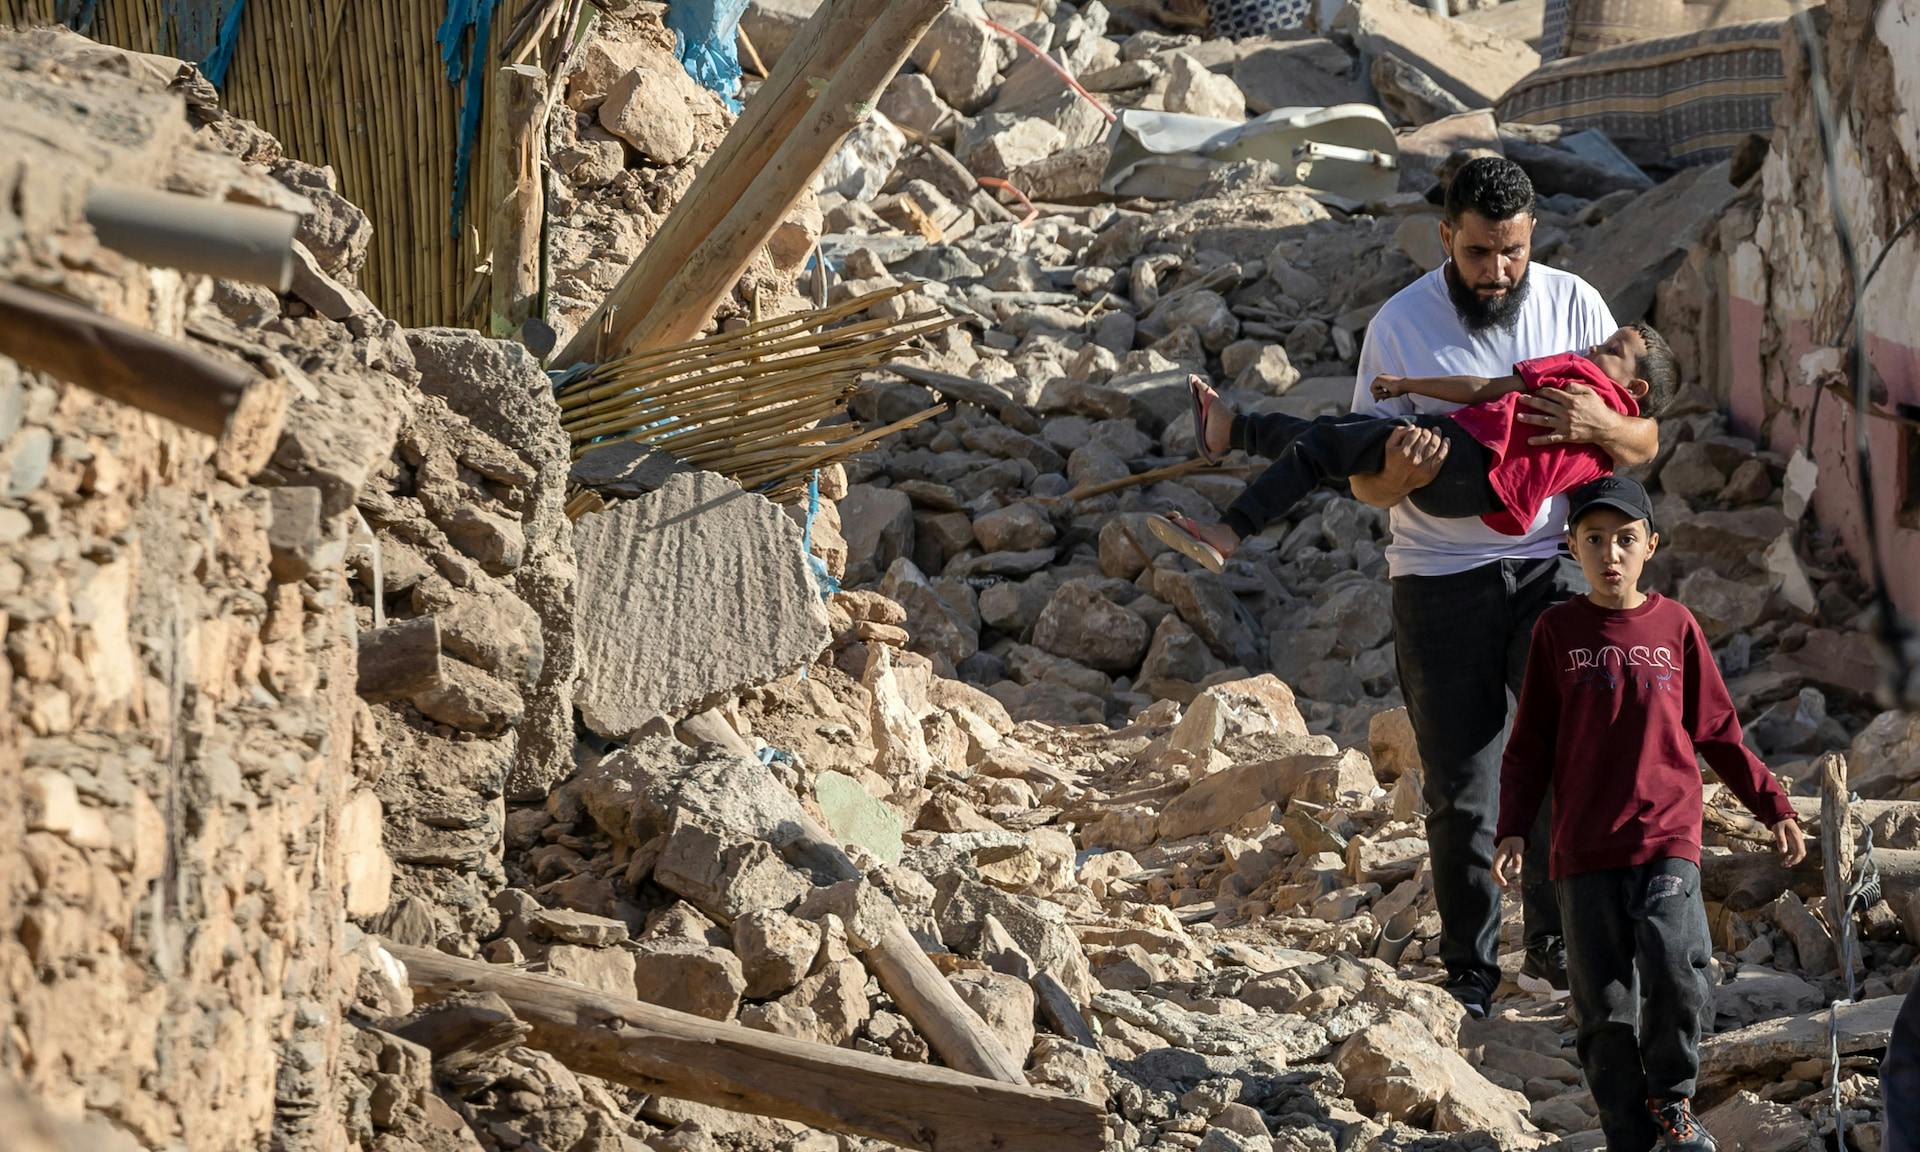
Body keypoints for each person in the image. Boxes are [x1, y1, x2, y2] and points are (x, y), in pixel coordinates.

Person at [1326, 155, 1659, 1016]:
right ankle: (1470, 970)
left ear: (1532, 235)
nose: (1498, 271)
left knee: (1568, 759)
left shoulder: (1575, 303)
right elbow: (1365, 483)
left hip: (1552, 565)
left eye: (1511, 251)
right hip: (1439, 576)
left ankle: (1558, 947)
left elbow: (1641, 440)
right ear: (1446, 238)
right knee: (1463, 786)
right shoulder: (1399, 328)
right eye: (1478, 253)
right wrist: (1396, 476)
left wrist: (1600, 425)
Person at [1494, 475, 1807, 1152]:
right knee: (1603, 1008)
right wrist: (1513, 827)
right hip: (1582, 850)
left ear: (1651, 547)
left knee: (1675, 967)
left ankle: (1672, 1100)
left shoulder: (1675, 626)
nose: (1611, 553)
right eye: (1595, 540)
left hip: (1666, 836)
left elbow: (1719, 733)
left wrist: (1772, 807)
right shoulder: (1557, 631)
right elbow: (1530, 746)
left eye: (1626, 540)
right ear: (1571, 548)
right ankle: (1626, 1133)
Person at [1151, 322, 1679, 571]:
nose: (1595, 347)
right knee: (1334, 444)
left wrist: (1410, 386)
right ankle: (1233, 431)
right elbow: (1632, 458)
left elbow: (1484, 388)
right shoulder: (1611, 446)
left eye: (1613, 349)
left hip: (1463, 455)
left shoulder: (1578, 377)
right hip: (1474, 499)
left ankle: (1230, 529)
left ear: (1635, 391)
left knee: (1324, 445)